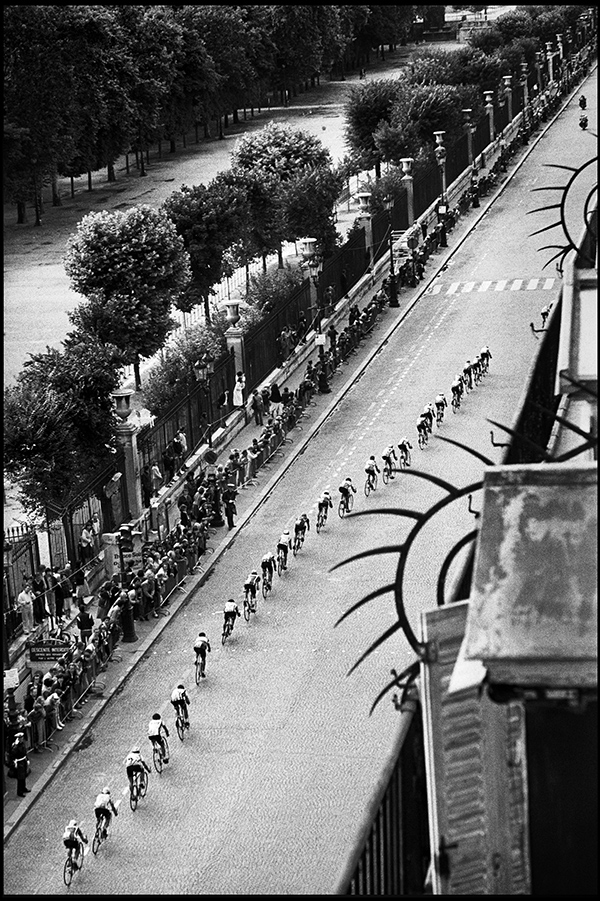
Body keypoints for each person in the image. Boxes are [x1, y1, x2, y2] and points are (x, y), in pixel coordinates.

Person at [11, 732, 30, 797]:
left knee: (24, 776)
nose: (22, 739)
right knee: (20, 777)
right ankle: (20, 792)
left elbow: (24, 752)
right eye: (21, 738)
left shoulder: (22, 744)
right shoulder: (15, 746)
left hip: (23, 760)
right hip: (19, 762)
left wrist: (27, 759)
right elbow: (13, 753)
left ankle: (24, 788)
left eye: (22, 738)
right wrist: (15, 745)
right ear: (18, 739)